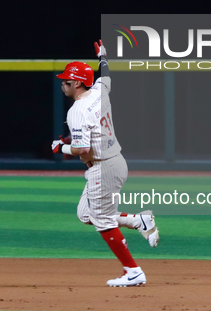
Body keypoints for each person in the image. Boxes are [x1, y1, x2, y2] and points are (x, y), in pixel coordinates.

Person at [51, 40, 159, 287]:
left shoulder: (77, 111)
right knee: (85, 214)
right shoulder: (99, 91)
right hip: (115, 162)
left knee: (103, 221)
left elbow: (82, 149)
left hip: (102, 166)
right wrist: (104, 58)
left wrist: (60, 147)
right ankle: (138, 221)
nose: (62, 84)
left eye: (66, 80)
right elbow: (106, 78)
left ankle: (133, 271)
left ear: (77, 83)